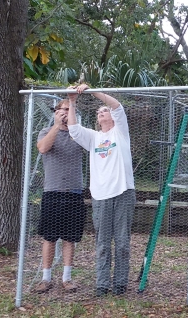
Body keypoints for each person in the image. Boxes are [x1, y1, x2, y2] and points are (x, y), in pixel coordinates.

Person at [67, 84, 136, 296]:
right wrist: (71, 100)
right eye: (98, 112)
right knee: (103, 243)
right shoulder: (94, 138)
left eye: (103, 110)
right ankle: (102, 284)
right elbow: (74, 129)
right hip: (100, 195)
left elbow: (117, 106)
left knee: (122, 242)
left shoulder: (120, 132)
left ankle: (120, 284)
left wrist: (91, 91)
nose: (101, 112)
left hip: (123, 192)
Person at [35, 98, 86, 293]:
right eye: (62, 110)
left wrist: (72, 126)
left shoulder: (78, 134)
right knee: (49, 237)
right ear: (55, 112)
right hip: (52, 192)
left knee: (69, 238)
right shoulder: (46, 132)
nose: (65, 113)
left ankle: (67, 278)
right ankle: (46, 278)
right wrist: (56, 126)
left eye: (70, 109)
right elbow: (42, 148)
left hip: (74, 192)